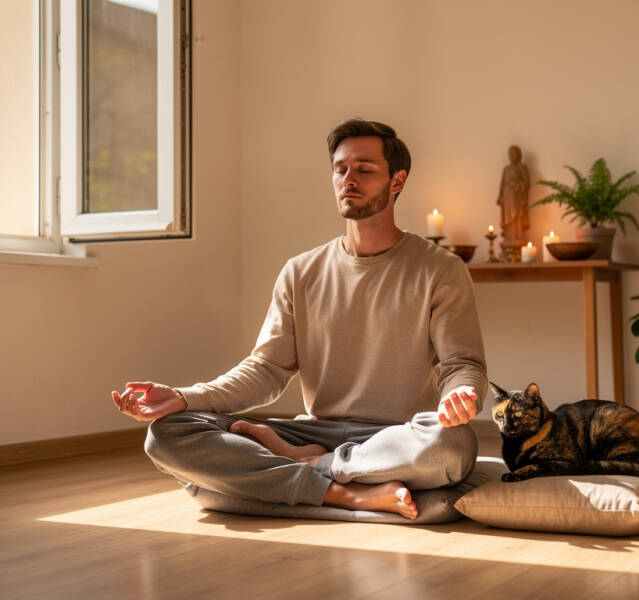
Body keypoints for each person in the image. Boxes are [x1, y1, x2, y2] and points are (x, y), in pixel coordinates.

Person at [111, 119, 488, 520]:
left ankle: (306, 468)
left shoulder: (440, 269)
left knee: (452, 446)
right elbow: (265, 371)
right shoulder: (301, 271)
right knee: (167, 435)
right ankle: (346, 494)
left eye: (364, 169)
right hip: (313, 429)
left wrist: (460, 395)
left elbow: (462, 365)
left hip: (396, 437)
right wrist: (184, 397)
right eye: (340, 169)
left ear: (397, 181)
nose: (348, 179)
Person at [497, 145, 530, 247]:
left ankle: (518, 236)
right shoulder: (506, 169)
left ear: (518, 155)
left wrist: (518, 185)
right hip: (507, 197)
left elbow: (527, 182)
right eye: (510, 154)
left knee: (517, 218)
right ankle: (509, 236)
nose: (512, 156)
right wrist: (500, 196)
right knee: (508, 218)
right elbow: (502, 184)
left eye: (514, 154)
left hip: (517, 197)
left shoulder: (522, 167)